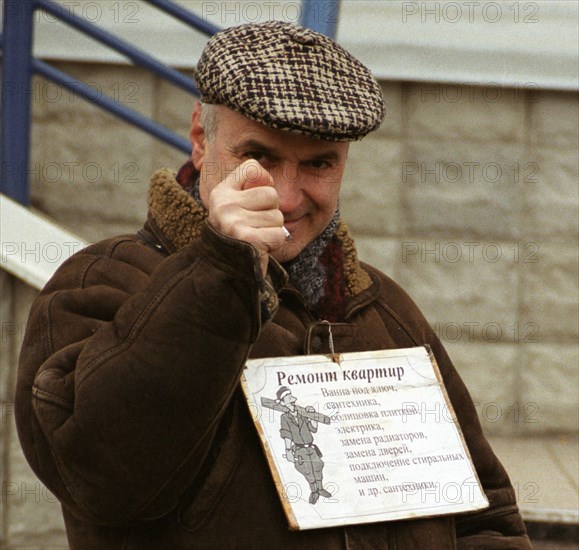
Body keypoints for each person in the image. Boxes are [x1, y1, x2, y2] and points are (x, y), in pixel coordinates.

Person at [15, 21, 532, 549]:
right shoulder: (100, 282)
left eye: (318, 163)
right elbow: (105, 483)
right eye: (259, 156)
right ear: (200, 139)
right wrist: (222, 269)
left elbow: (484, 518)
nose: (286, 197)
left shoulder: (384, 310)